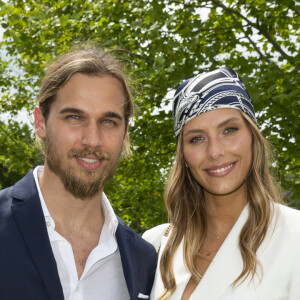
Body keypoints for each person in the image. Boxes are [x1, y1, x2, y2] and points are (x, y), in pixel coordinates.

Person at [0, 46, 157, 300]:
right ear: (41, 122)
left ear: (125, 133)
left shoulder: (143, 260)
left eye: (108, 121)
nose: (92, 140)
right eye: (74, 117)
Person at [143, 67, 300, 300]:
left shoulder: (294, 236)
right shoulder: (156, 244)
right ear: (183, 154)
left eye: (229, 130)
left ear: (252, 137)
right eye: (197, 138)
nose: (215, 151)